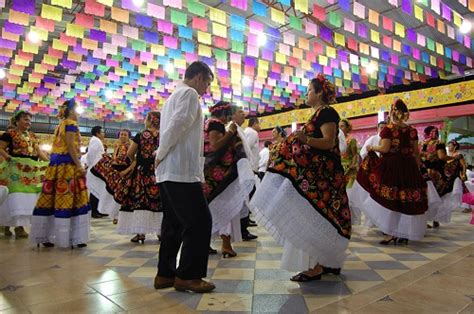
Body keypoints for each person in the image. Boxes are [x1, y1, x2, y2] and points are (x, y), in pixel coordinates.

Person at [251, 74, 351, 282]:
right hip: (318, 177)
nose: (306, 94)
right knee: (316, 218)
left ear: (320, 92)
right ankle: (325, 261)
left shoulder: (328, 112)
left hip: (324, 178)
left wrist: (304, 138)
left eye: (309, 90)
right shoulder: (317, 114)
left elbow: (328, 142)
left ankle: (317, 266)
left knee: (317, 217)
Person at [154, 61, 215, 293]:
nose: (206, 90)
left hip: (170, 172)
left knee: (174, 224)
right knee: (200, 222)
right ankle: (188, 276)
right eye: (207, 83)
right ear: (199, 77)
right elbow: (178, 126)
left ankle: (165, 274)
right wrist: (160, 153)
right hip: (180, 171)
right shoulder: (189, 94)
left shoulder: (172, 97)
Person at [351, 99, 430, 244]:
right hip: (409, 166)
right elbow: (415, 153)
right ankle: (402, 233)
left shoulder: (388, 129)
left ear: (393, 112)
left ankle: (391, 232)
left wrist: (371, 148)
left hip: (391, 166)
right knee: (404, 199)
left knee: (389, 199)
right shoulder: (412, 131)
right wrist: (418, 168)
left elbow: (385, 149)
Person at [30, 100, 90, 248]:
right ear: (71, 111)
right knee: (71, 199)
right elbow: (70, 145)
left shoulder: (61, 124)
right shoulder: (71, 124)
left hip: (56, 166)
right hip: (67, 167)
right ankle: (72, 237)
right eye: (77, 111)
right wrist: (79, 164)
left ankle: (45, 236)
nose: (78, 114)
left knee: (51, 198)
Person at [202, 102, 255, 258]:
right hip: (220, 174)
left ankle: (211, 243)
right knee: (226, 206)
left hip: (213, 172)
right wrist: (231, 132)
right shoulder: (216, 124)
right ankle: (226, 245)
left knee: (214, 207)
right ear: (224, 114)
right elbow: (215, 146)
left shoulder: (208, 123)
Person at [0, 111, 49, 238]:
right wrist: (8, 157)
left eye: (30, 120)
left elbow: (38, 152)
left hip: (31, 172)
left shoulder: (32, 136)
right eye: (25, 119)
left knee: (26, 198)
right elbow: (0, 148)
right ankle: (18, 227)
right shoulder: (9, 134)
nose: (28, 122)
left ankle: (10, 225)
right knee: (16, 196)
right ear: (17, 121)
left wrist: (49, 162)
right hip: (15, 170)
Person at [116, 112, 162, 244]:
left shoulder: (140, 135)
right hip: (158, 173)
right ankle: (160, 232)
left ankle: (140, 233)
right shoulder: (163, 135)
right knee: (158, 202)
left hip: (142, 173)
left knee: (140, 200)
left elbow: (130, 153)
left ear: (150, 120)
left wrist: (137, 162)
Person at [420, 126, 463, 226]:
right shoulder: (438, 143)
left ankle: (424, 219)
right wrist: (454, 157)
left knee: (426, 196)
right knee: (438, 194)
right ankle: (435, 219)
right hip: (436, 173)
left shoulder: (421, 143)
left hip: (424, 172)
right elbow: (442, 157)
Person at [90, 129, 131, 223]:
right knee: (115, 194)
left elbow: (134, 161)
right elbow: (114, 159)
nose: (123, 136)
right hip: (117, 172)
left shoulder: (131, 146)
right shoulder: (117, 145)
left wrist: (126, 171)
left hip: (126, 172)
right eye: (121, 134)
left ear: (129, 136)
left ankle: (122, 216)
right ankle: (115, 215)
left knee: (123, 195)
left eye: (125, 135)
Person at [86, 126, 106, 219]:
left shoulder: (96, 141)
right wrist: (93, 165)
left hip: (97, 168)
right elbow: (90, 155)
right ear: (97, 133)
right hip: (95, 168)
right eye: (102, 132)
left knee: (98, 190)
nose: (103, 134)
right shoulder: (96, 141)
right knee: (95, 191)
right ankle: (94, 211)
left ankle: (98, 210)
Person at [339, 119, 358, 189]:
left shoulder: (351, 140)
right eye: (338, 127)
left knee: (349, 189)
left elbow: (355, 155)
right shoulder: (335, 140)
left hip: (349, 168)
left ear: (347, 128)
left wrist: (352, 165)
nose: (340, 129)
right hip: (339, 167)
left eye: (342, 126)